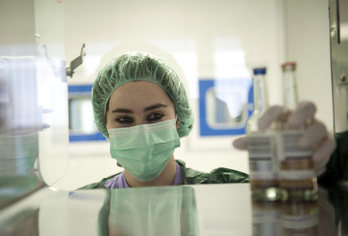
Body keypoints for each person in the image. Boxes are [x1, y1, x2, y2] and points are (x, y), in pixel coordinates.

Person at [80, 51, 337, 189]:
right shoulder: (84, 204)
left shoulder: (227, 189)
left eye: (155, 116)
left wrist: (308, 179)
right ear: (106, 127)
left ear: (178, 118)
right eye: (124, 119)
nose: (142, 131)